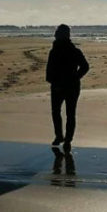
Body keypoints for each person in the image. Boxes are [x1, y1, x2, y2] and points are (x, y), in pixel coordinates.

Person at [46, 24, 89, 152]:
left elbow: (85, 67)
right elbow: (49, 70)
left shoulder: (70, 51)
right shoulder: (65, 50)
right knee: (65, 113)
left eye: (57, 33)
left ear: (62, 35)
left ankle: (64, 138)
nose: (55, 35)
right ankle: (62, 138)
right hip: (65, 86)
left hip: (67, 87)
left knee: (65, 113)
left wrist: (73, 78)